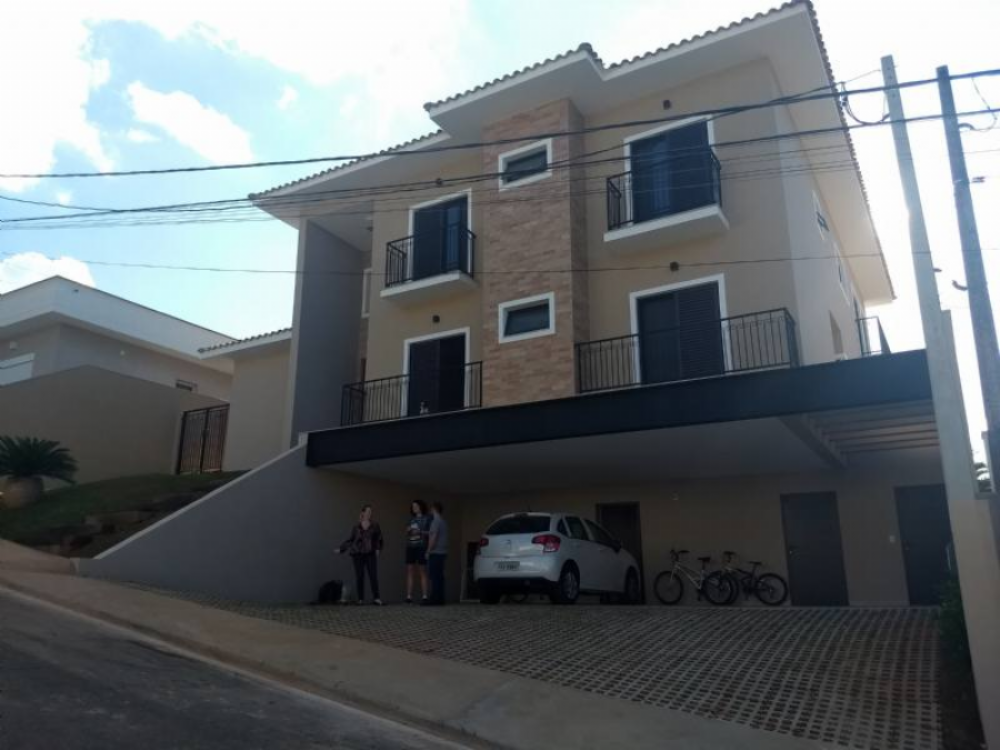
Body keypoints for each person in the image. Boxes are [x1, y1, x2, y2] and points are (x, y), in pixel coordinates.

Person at [337, 505, 383, 605]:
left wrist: (378, 549)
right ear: (363, 512)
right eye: (368, 511)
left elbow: (379, 538)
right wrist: (341, 549)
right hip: (357, 553)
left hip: (370, 553)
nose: (369, 513)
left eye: (371, 512)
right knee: (360, 576)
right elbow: (351, 540)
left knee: (373, 575)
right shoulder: (356, 526)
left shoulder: (375, 525)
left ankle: (377, 598)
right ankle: (360, 599)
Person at [405, 500, 431, 604]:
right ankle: (408, 596)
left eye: (416, 506)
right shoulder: (411, 519)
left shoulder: (427, 519)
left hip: (421, 547)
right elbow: (408, 532)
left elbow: (431, 533)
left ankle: (425, 596)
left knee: (422, 571)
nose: (414, 508)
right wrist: (408, 530)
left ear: (421, 507)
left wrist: (420, 531)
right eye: (413, 506)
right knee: (410, 570)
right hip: (410, 546)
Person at [423, 501, 448, 606]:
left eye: (431, 509)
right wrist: (422, 532)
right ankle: (440, 599)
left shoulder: (435, 522)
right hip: (442, 552)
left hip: (435, 552)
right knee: (440, 576)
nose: (430, 511)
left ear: (434, 509)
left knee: (434, 577)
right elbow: (433, 533)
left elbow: (434, 537)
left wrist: (428, 551)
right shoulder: (443, 522)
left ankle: (434, 599)